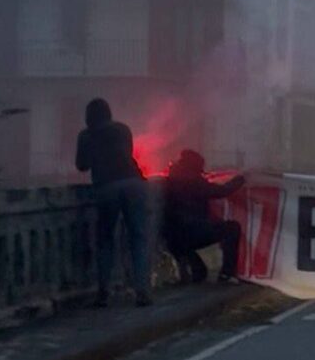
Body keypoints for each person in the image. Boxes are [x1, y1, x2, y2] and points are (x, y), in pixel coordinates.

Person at [75, 98, 152, 306]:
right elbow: (128, 152)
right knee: (138, 238)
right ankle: (142, 290)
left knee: (105, 239)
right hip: (134, 183)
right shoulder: (123, 129)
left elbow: (81, 165)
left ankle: (103, 292)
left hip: (107, 186)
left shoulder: (86, 135)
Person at [163, 149, 245, 284]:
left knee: (200, 273)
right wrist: (240, 179)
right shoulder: (193, 181)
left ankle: (195, 270)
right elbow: (222, 191)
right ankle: (227, 273)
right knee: (232, 228)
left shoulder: (172, 180)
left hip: (174, 237)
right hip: (193, 232)